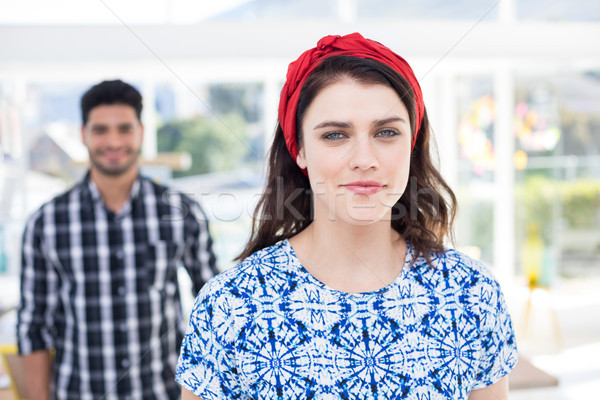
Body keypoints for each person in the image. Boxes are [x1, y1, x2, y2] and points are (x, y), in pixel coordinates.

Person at [176, 33, 517, 399]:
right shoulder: (230, 305)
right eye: (336, 135)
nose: (364, 159)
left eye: (386, 132)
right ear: (300, 151)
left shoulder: (471, 293)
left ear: (412, 143)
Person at [17, 80, 218, 400]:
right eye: (101, 130)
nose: (113, 141)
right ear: (83, 134)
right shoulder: (47, 224)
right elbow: (33, 327)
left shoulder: (182, 212)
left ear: (140, 132)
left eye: (124, 129)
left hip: (164, 392)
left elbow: (215, 306)